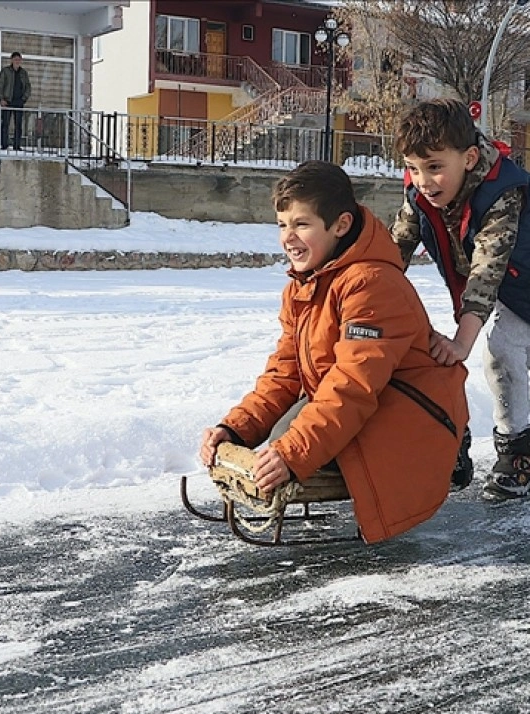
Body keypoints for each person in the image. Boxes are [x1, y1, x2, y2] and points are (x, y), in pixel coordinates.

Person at [198, 161, 471, 544]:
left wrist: (292, 455)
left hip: (415, 417)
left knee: (290, 445)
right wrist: (235, 429)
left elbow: (353, 387)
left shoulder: (372, 284)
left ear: (340, 225)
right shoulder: (305, 283)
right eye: (282, 225)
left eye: (302, 224)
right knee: (281, 437)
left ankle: (446, 455)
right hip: (364, 401)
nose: (288, 238)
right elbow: (284, 372)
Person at [389, 98, 530, 501]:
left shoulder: (502, 193)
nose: (423, 180)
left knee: (502, 348)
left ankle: (516, 456)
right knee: (528, 352)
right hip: (509, 273)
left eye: (435, 167)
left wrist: (463, 340)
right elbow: (396, 250)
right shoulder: (420, 192)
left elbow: (487, 271)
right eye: (413, 168)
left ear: (470, 158)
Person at [0, 52, 31, 150]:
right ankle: (4, 145)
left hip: (19, 102)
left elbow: (28, 87)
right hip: (7, 101)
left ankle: (17, 145)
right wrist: (1, 99)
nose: (17, 61)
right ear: (11, 60)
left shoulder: (23, 73)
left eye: (19, 59)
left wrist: (24, 99)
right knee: (5, 124)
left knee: (18, 125)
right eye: (15, 59)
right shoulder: (5, 71)